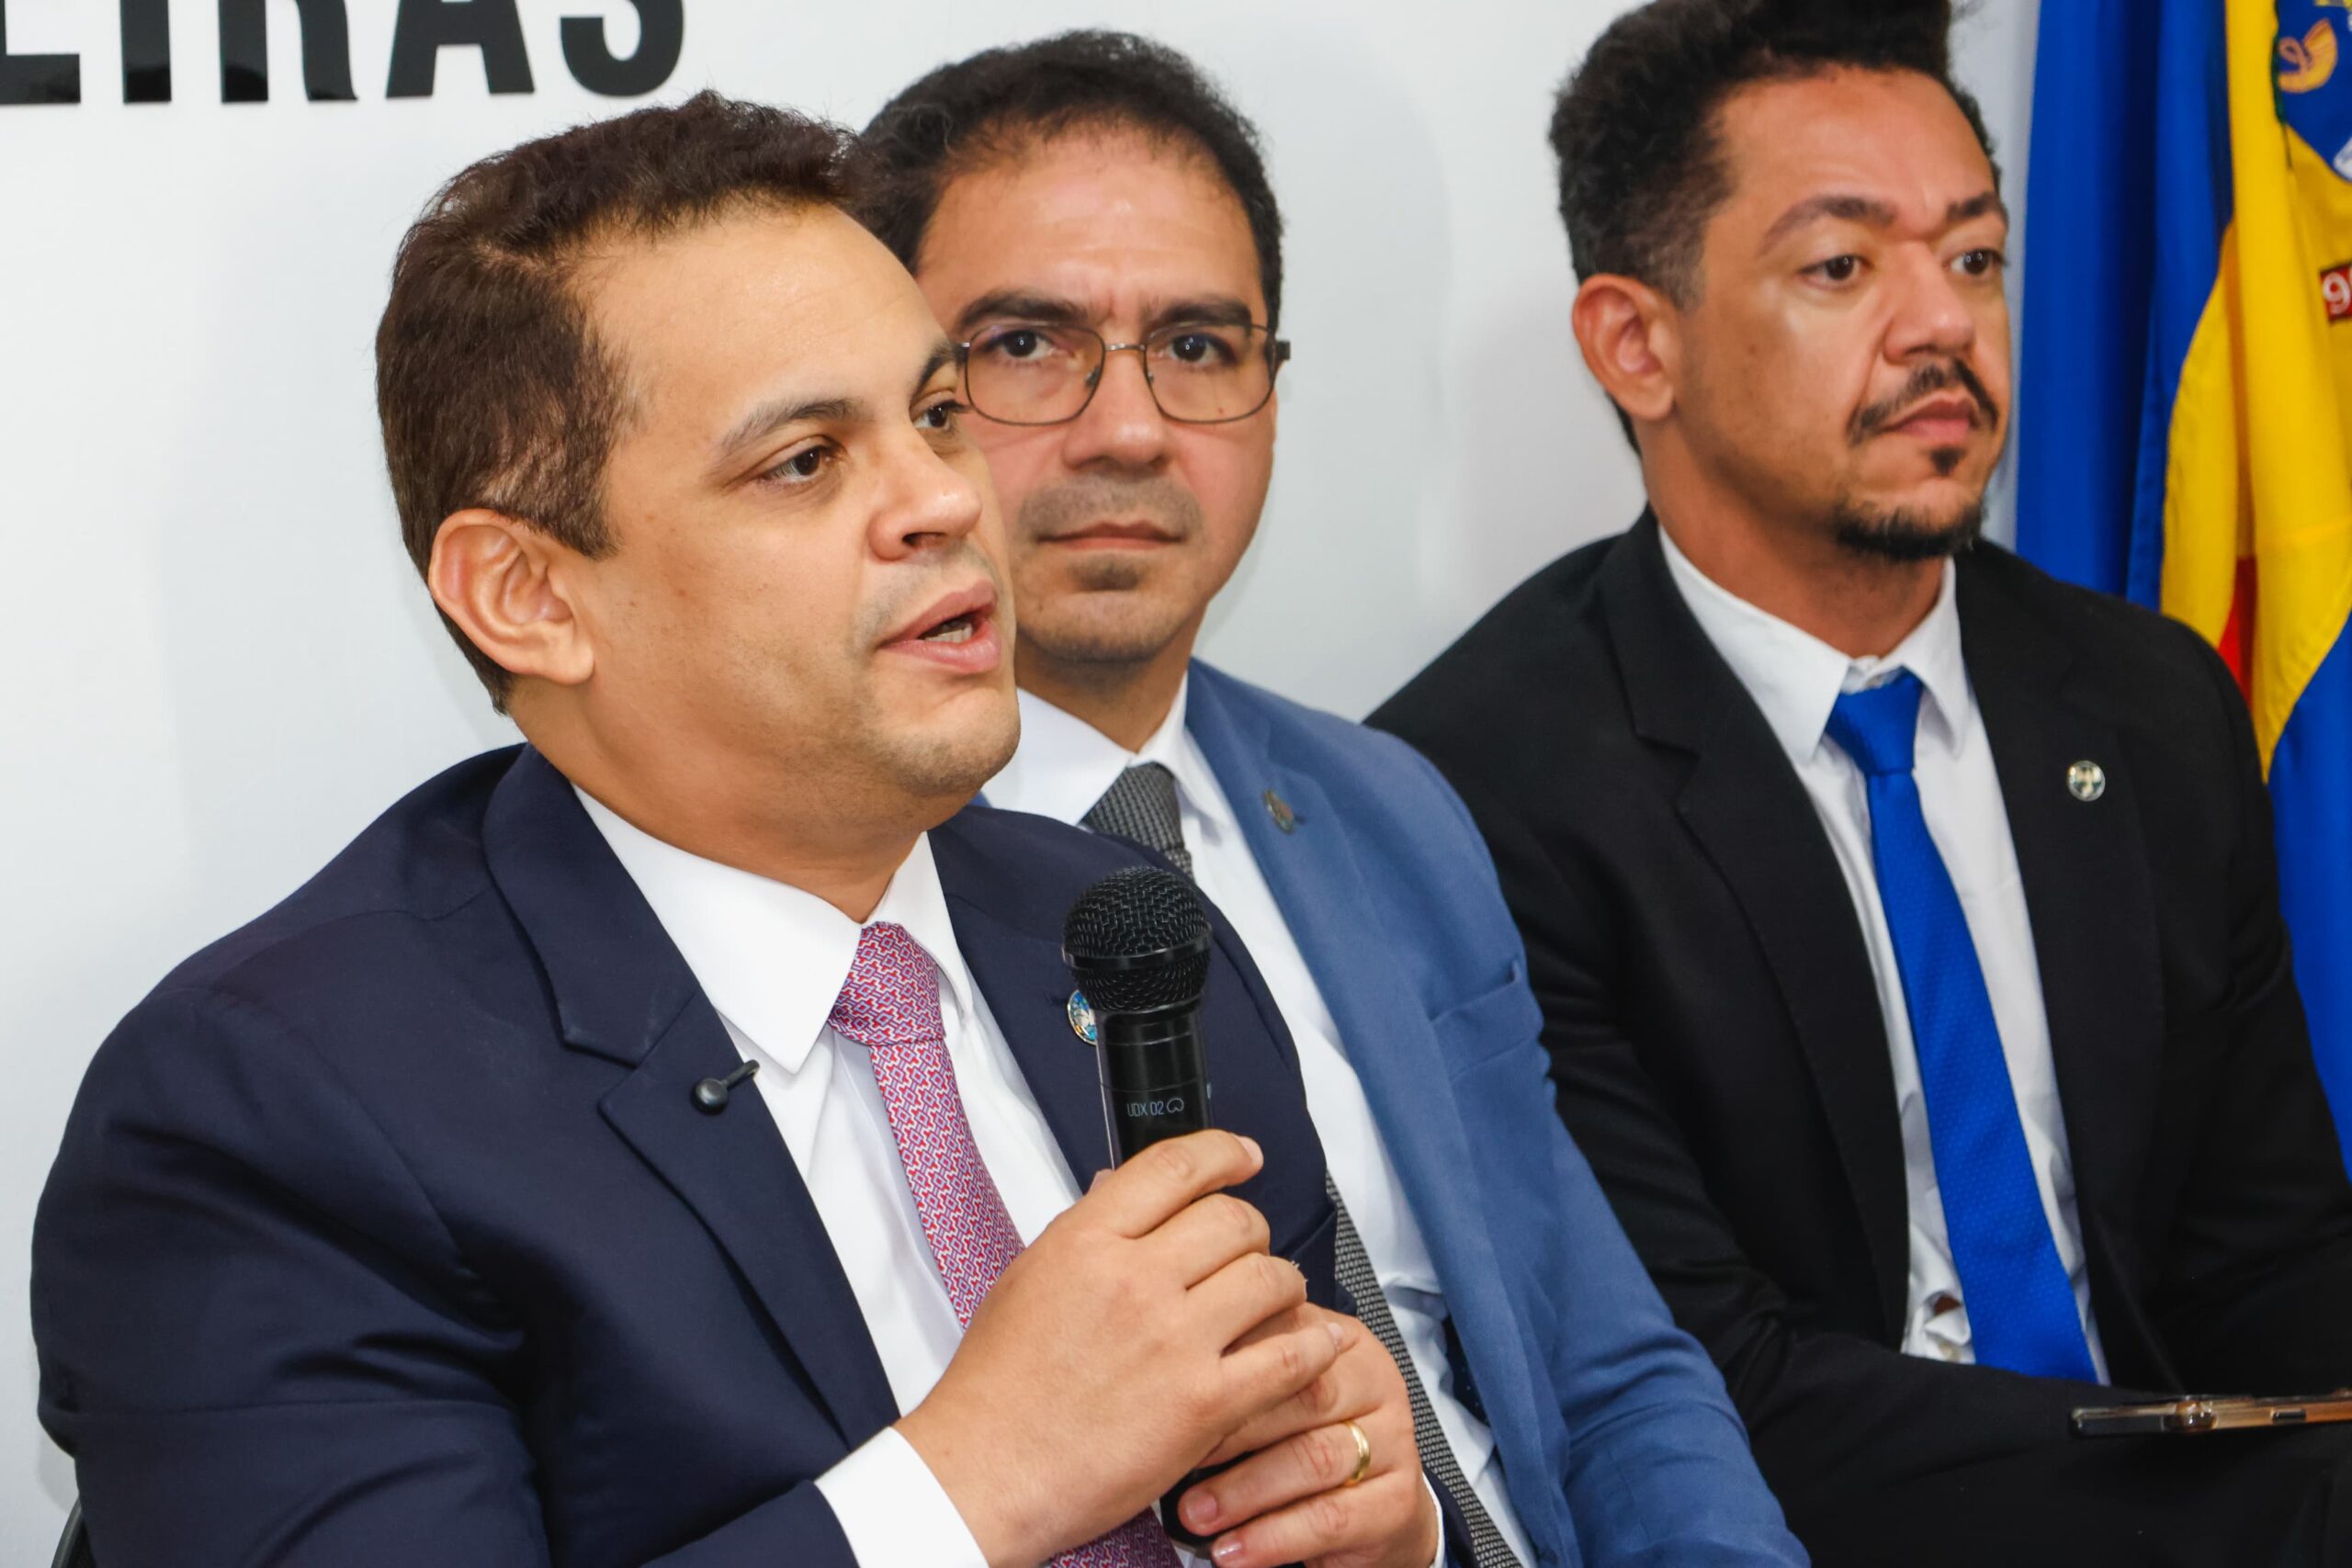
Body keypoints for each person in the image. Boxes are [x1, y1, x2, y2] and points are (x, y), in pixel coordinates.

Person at [32, 92, 1442, 1568]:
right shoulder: (279, 1116)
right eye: (805, 461)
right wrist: (972, 1483)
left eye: (937, 417)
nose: (942, 502)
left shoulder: (1130, 933)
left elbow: (1320, 1466)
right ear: (529, 595)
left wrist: (1380, 1530)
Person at [1373, 2, 2352, 1563]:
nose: (1941, 325)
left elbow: (2272, 1258)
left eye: (1974, 256)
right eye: (1843, 267)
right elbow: (1704, 1388)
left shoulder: (2148, 703)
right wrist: (2280, 1511)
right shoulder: (1475, 792)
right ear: (1637, 344)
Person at [858, 31, 1809, 1568]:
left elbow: (1611, 1373)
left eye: (1197, 345)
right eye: (1026, 343)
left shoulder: (1385, 806)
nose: (1129, 429)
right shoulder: (845, 895)